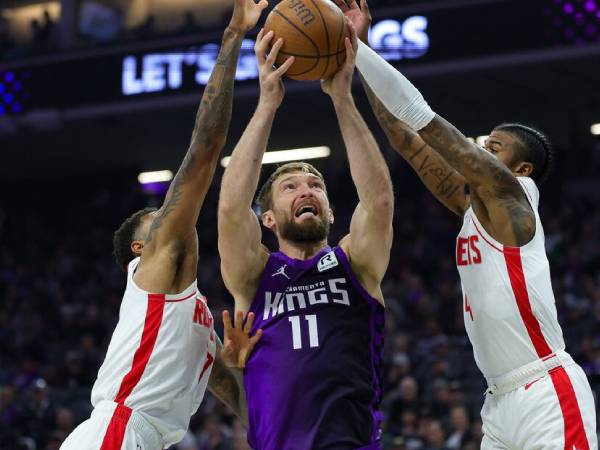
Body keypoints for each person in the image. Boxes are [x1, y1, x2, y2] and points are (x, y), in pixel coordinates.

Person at [335, 0, 598, 448]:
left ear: (521, 170)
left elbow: (426, 122)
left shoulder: (516, 198)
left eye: (493, 147)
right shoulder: (472, 206)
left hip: (547, 391)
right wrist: (362, 52)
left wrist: (360, 50)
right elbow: (403, 135)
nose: (479, 150)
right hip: (498, 401)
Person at [59, 1, 267, 449]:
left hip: (145, 437)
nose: (172, 220)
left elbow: (232, 393)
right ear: (141, 250)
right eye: (158, 221)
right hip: (117, 431)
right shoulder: (155, 270)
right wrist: (232, 38)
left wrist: (247, 384)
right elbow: (206, 145)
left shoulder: (192, 314)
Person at [217, 24, 394, 450]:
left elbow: (379, 201)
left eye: (315, 186)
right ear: (270, 220)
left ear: (332, 212)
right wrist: (266, 104)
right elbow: (229, 208)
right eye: (290, 187)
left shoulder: (356, 262)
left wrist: (342, 98)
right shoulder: (254, 273)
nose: (306, 191)